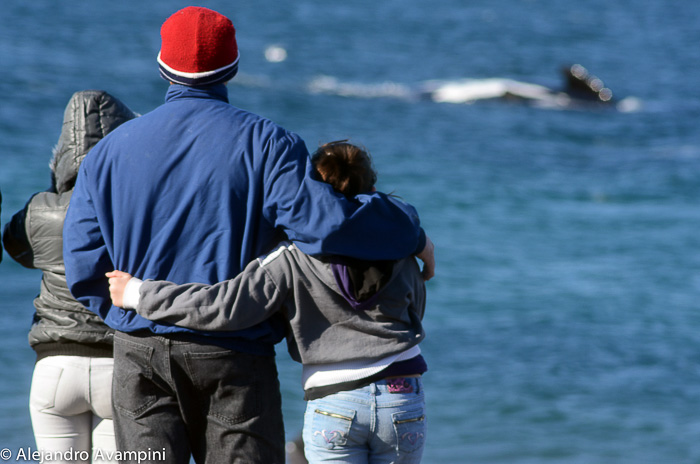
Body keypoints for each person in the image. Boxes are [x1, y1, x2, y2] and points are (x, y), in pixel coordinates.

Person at [62, 7, 434, 463]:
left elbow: (82, 263)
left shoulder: (108, 152)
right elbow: (326, 226)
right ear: (232, 66)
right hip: (233, 352)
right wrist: (410, 231)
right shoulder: (268, 143)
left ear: (163, 63)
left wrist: (130, 318)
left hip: (139, 352)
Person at [107, 141, 428, 463]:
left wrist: (139, 293)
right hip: (402, 394)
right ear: (371, 187)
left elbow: (224, 307)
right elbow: (417, 308)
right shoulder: (403, 247)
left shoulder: (289, 258)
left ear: (312, 192)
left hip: (335, 400)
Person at [3, 90, 137, 462]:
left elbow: (17, 248)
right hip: (118, 365)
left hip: (55, 367)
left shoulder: (39, 210)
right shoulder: (137, 210)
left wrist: (54, 187)